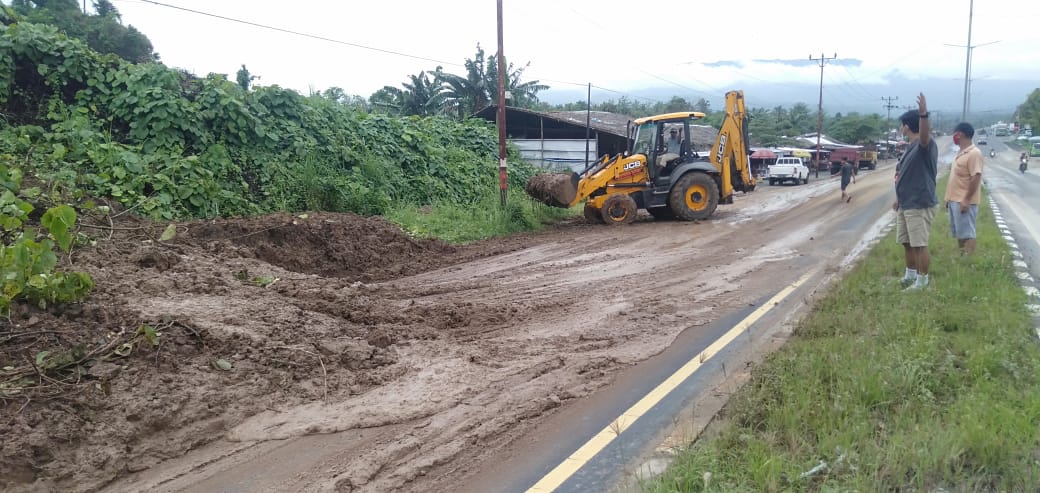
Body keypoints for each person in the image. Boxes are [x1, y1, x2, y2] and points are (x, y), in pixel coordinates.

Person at [893, 93, 938, 291]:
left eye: (902, 125)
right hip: (906, 202)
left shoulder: (923, 145)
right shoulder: (909, 148)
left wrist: (923, 115)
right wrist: (898, 198)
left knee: (919, 243)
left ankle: (922, 281)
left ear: (907, 126)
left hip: (919, 202)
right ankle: (910, 275)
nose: (900, 129)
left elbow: (925, 135)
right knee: (907, 242)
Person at [944, 122, 984, 256]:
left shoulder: (974, 153)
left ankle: (969, 261)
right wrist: (948, 199)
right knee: (960, 232)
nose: (954, 137)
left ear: (959, 134)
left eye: (955, 134)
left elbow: (976, 176)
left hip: (964, 201)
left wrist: (966, 199)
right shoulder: (961, 153)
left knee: (968, 233)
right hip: (954, 199)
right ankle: (962, 256)